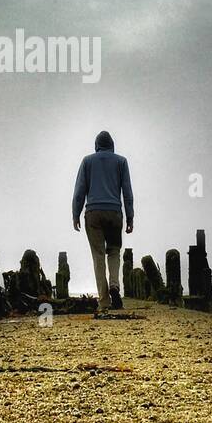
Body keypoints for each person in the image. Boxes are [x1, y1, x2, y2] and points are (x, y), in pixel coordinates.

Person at [72, 130, 134, 311]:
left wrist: (75, 214)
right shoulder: (121, 162)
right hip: (114, 212)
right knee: (114, 251)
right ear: (112, 145)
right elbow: (127, 192)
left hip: (93, 213)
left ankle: (105, 300)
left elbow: (79, 192)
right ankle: (115, 284)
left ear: (96, 145)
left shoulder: (87, 161)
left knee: (98, 255)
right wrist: (130, 216)